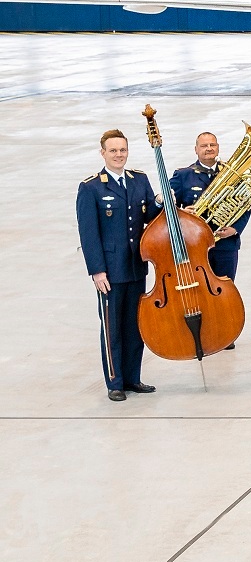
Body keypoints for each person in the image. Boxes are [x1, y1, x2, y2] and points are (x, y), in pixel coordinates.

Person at [78, 129, 161, 401]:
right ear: (103, 153)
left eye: (122, 150)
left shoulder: (139, 180)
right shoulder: (91, 187)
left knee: (135, 326)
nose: (118, 155)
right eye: (113, 151)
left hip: (137, 266)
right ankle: (115, 382)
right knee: (112, 328)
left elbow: (152, 213)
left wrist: (165, 203)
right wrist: (97, 270)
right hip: (110, 272)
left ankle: (133, 378)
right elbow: (89, 234)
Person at [170, 131, 249, 282]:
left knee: (226, 288)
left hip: (225, 244)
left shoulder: (231, 173)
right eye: (204, 145)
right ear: (196, 149)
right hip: (194, 244)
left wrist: (235, 229)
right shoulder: (183, 175)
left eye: (212, 145)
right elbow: (168, 205)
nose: (209, 148)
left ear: (218, 147)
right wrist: (182, 213)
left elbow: (245, 205)